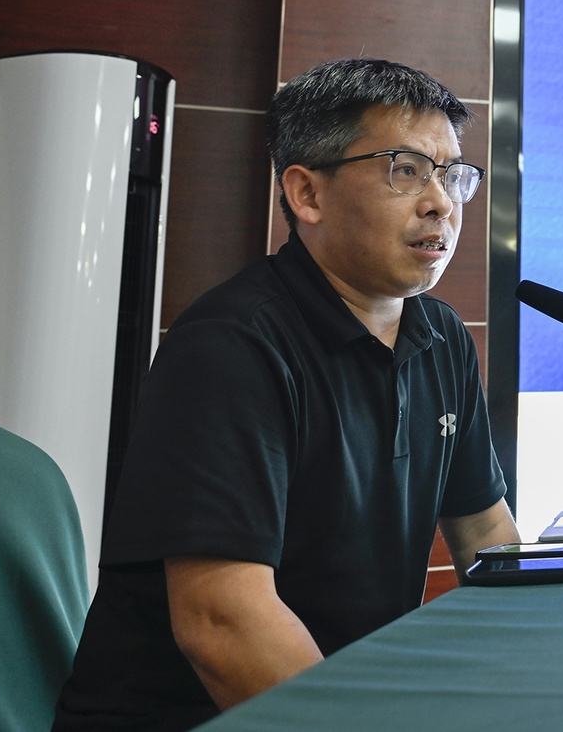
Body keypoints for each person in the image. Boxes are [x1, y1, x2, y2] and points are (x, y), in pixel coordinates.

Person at [53, 59, 520, 732]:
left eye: (452, 176)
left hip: (356, 701)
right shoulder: (230, 346)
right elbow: (223, 621)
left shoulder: (441, 338)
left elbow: (486, 537)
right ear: (307, 194)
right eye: (407, 170)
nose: (441, 203)